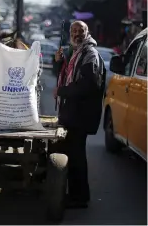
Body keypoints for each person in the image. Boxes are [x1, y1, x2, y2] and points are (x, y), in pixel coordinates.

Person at [52, 21, 106, 209]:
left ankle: (80, 198)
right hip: (71, 113)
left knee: (76, 157)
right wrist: (58, 62)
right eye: (74, 31)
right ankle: (74, 194)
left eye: (80, 31)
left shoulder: (90, 54)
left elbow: (88, 85)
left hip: (80, 116)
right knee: (71, 154)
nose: (77, 34)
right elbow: (63, 74)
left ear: (87, 32)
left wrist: (62, 91)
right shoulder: (75, 52)